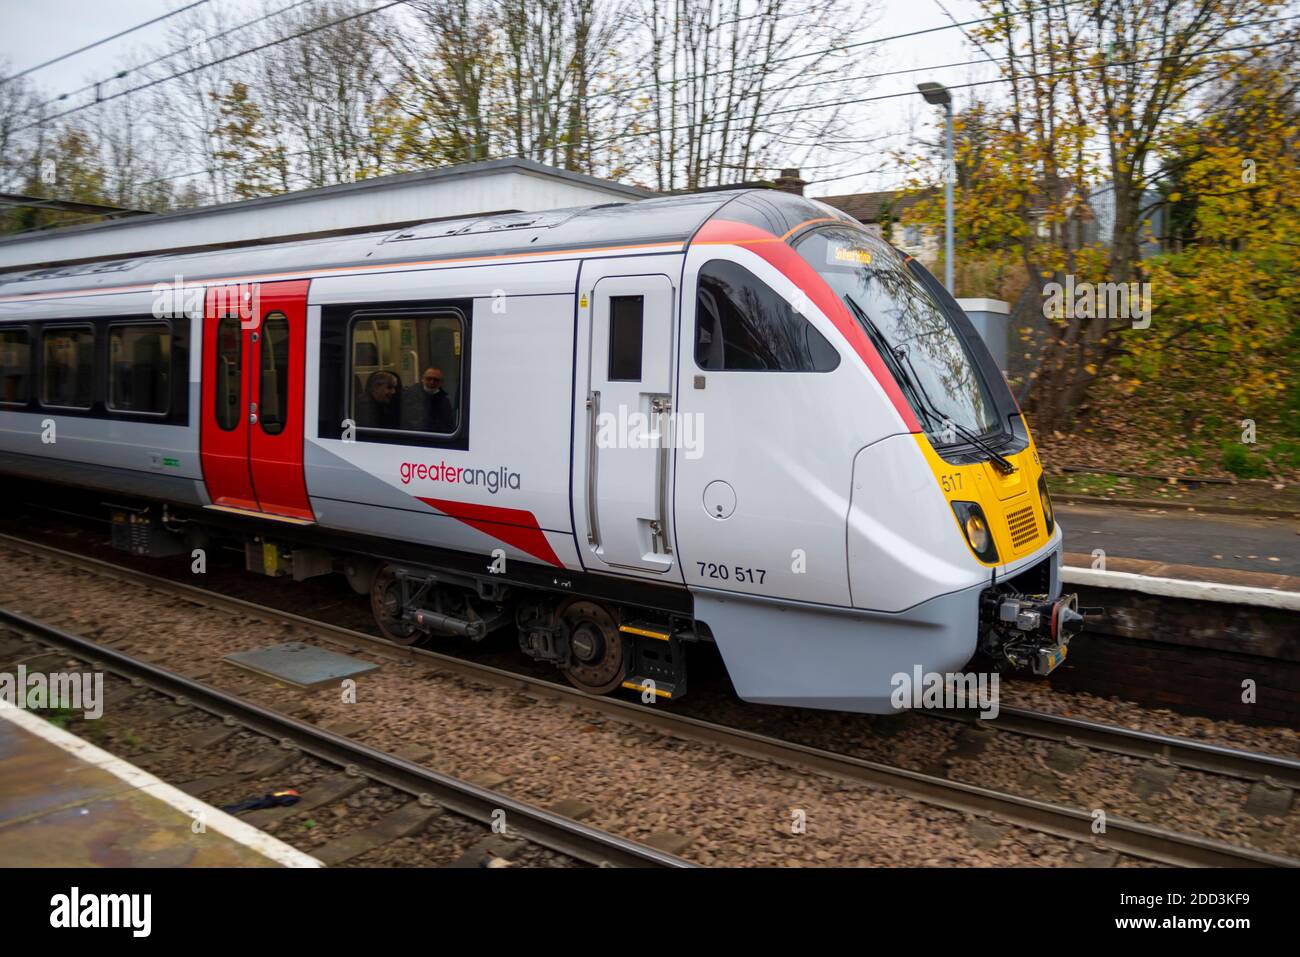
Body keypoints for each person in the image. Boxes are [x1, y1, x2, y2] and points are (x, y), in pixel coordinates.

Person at [403, 366, 456, 433]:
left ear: (441, 383)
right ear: (422, 379)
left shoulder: (445, 401)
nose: (432, 382)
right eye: (429, 378)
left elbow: (448, 423)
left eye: (436, 380)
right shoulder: (410, 396)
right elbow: (408, 421)